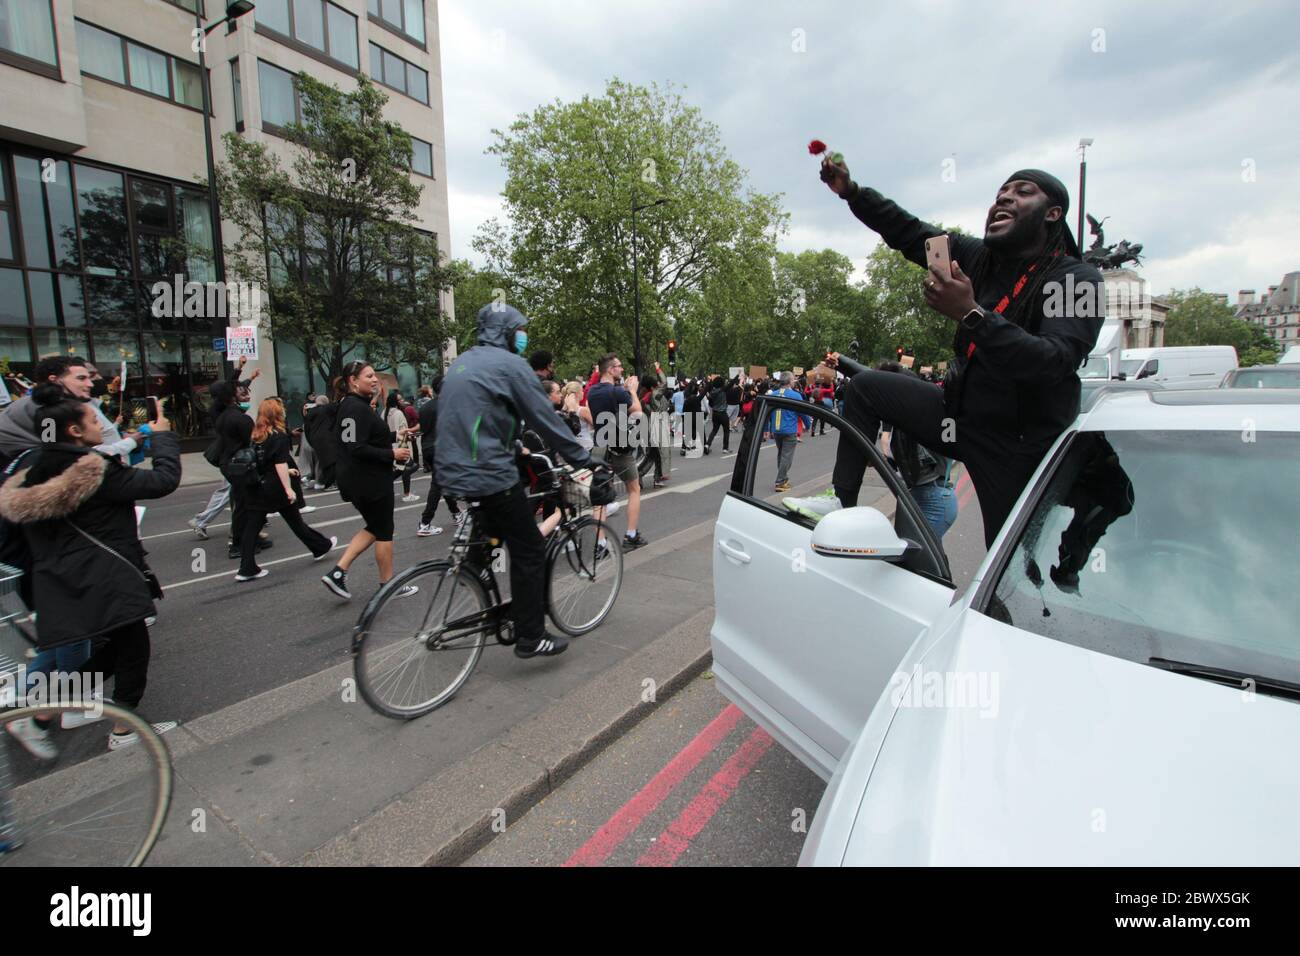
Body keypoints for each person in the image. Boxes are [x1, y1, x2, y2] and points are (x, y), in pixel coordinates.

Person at [791, 157, 1103, 546]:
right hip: (958, 418)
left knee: (1010, 563)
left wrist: (972, 315)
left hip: (1015, 446)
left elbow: (1055, 361)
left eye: (1022, 192)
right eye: (1000, 193)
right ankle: (841, 504)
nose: (1004, 199)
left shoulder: (1077, 279)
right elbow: (908, 232)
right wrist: (852, 193)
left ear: (1053, 213)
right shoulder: (978, 258)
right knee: (865, 388)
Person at [0, 384, 179, 755]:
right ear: (74, 431)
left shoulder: (28, 474)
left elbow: (12, 541)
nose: (101, 424)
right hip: (106, 579)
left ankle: (39, 715)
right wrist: (163, 439)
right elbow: (163, 481)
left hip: (62, 586)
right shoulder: (94, 472)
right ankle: (124, 730)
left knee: (111, 652)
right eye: (93, 418)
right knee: (132, 651)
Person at [437, 304, 603, 659]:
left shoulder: (463, 361)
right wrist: (582, 459)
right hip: (488, 472)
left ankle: (479, 586)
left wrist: (513, 445)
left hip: (452, 470)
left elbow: (477, 417)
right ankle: (531, 635)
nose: (523, 336)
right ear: (507, 332)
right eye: (520, 330)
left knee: (491, 536)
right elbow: (545, 419)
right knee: (529, 549)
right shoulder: (511, 366)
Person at [321, 362, 414, 601]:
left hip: (358, 479)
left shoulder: (352, 406)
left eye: (375, 376)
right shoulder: (355, 408)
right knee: (383, 530)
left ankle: (338, 572)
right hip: (368, 480)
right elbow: (356, 447)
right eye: (369, 376)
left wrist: (396, 436)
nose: (375, 380)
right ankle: (387, 585)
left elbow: (366, 438)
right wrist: (392, 454)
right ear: (353, 380)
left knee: (375, 526)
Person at [236, 398, 336, 582]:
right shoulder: (278, 436)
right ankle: (321, 546)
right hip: (275, 488)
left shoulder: (256, 434)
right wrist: (289, 489)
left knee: (252, 527)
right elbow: (279, 463)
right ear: (277, 414)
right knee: (295, 521)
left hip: (256, 486)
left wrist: (285, 471)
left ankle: (246, 567)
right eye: (281, 410)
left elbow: (261, 461)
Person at [587, 353, 648, 550]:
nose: (622, 369)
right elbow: (638, 411)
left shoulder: (592, 392)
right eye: (619, 366)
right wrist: (632, 391)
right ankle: (630, 535)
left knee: (600, 498)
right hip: (619, 447)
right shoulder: (618, 392)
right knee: (634, 489)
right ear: (611, 370)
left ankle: (601, 544)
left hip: (599, 446)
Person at [416, 374, 461, 537]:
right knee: (438, 483)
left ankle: (456, 513)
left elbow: (423, 428)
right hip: (442, 448)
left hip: (427, 448)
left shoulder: (425, 407)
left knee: (442, 481)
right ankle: (425, 522)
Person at [763, 373, 812, 494]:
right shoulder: (795, 395)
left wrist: (766, 429)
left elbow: (766, 414)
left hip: (776, 429)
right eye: (793, 379)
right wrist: (808, 424)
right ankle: (780, 481)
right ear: (790, 381)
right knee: (787, 456)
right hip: (789, 429)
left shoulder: (773, 394)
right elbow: (803, 411)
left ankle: (783, 479)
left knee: (781, 454)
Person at [386, 391, 420, 503]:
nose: (402, 401)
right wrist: (409, 437)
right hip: (401, 445)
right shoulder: (399, 413)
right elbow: (403, 431)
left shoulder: (384, 413)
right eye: (400, 399)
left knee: (402, 469)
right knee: (410, 467)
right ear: (395, 402)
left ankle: (386, 486)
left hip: (390, 445)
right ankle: (407, 494)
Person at [703, 375, 730, 454]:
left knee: (714, 430)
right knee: (726, 431)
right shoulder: (723, 390)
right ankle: (725, 448)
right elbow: (730, 384)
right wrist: (737, 377)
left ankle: (707, 444)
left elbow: (710, 402)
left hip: (715, 413)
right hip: (723, 413)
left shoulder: (712, 392)